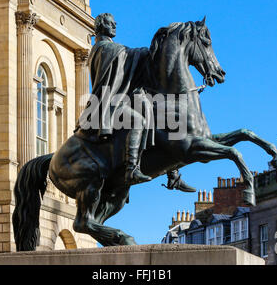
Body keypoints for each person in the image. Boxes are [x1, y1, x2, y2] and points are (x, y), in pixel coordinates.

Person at [77, 13, 195, 192]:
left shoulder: (112, 48)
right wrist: (152, 50)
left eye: (115, 22)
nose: (114, 25)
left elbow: (125, 66)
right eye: (110, 23)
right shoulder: (103, 48)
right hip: (108, 104)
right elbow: (126, 58)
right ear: (100, 26)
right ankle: (131, 169)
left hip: (120, 97)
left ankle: (173, 174)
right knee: (137, 121)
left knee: (161, 113)